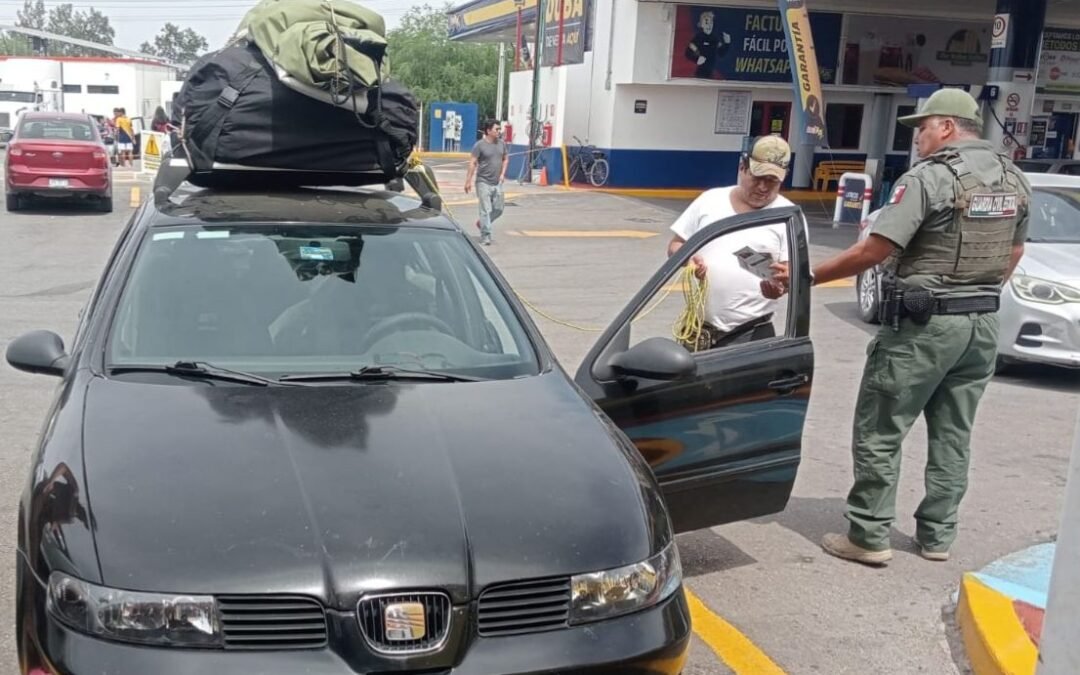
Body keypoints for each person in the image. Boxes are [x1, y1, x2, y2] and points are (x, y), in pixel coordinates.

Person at [764, 88, 1031, 565]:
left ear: (947, 127)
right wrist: (975, 292)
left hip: (924, 328)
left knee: (881, 427)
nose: (918, 139)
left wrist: (805, 276)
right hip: (981, 326)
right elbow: (1014, 253)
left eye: (923, 128)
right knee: (953, 433)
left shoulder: (929, 179)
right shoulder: (1013, 178)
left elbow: (874, 251)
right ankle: (937, 536)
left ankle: (868, 535)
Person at [667, 135, 796, 350]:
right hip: (697, 332)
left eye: (772, 181)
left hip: (751, 335)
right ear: (742, 167)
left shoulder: (788, 216)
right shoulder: (710, 201)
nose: (763, 187)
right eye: (757, 177)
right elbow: (675, 245)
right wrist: (688, 260)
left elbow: (792, 273)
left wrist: (783, 285)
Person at [464, 119, 509, 246]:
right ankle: (486, 235)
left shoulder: (502, 144)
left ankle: (482, 223)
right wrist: (468, 181)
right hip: (483, 181)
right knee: (485, 209)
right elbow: (472, 163)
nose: (499, 131)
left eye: (500, 129)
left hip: (497, 182)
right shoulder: (479, 145)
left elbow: (505, 159)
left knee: (499, 209)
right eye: (497, 129)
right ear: (488, 131)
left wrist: (502, 174)